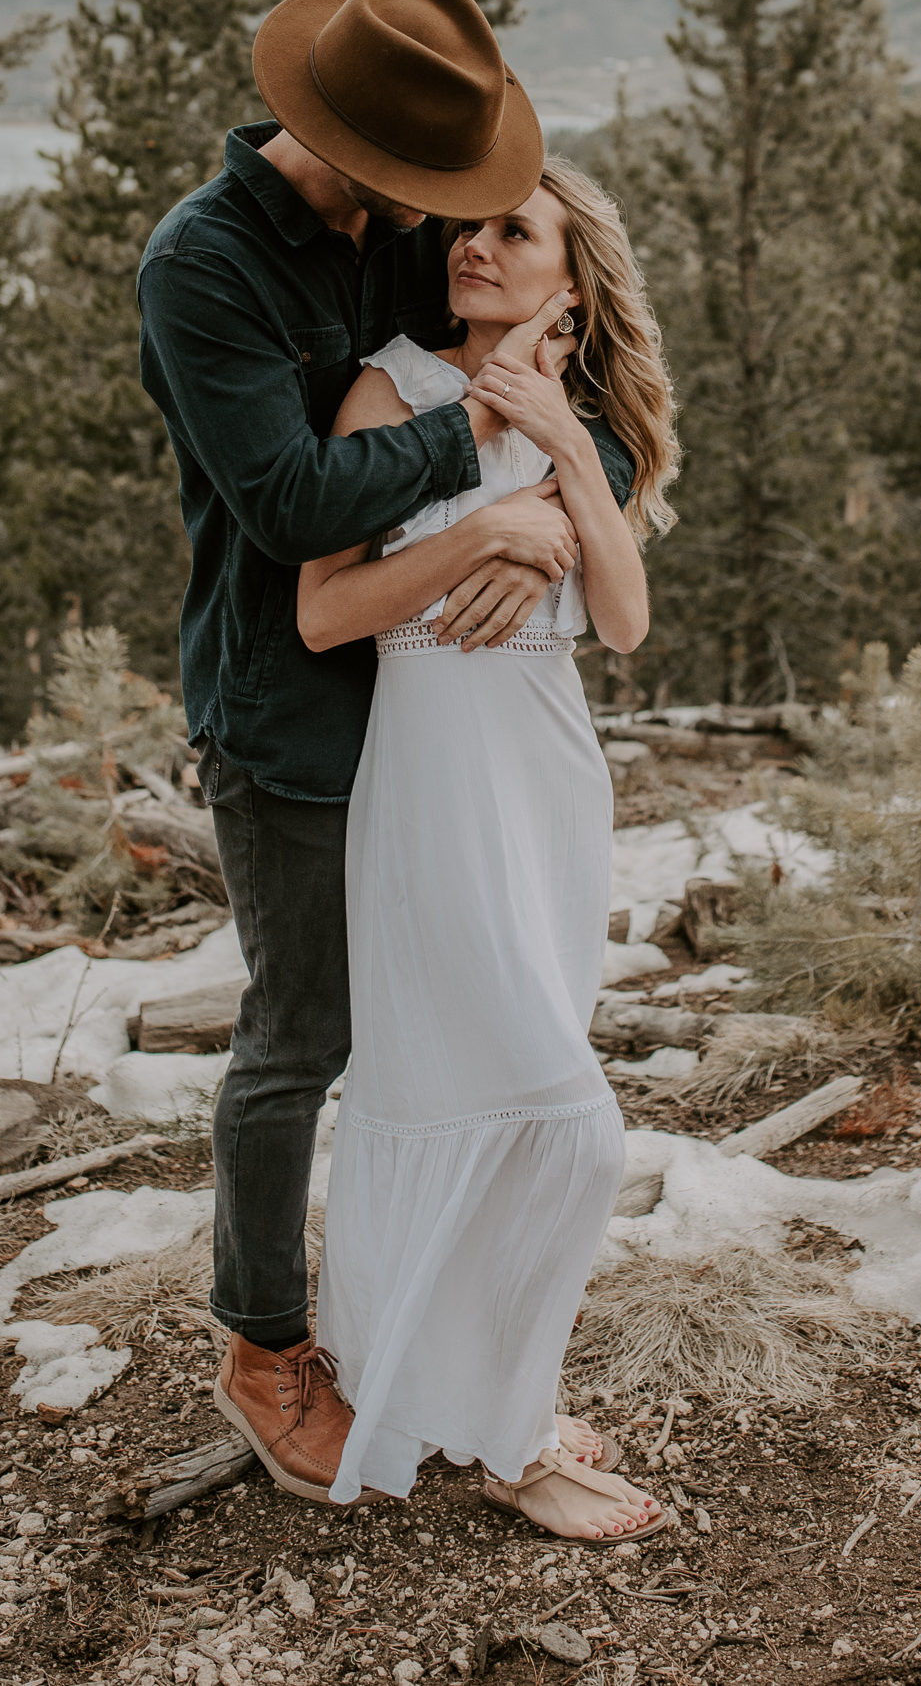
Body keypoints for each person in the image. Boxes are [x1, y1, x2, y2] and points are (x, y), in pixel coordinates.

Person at [137, 0, 637, 1506]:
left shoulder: (421, 230)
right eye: (430, 191)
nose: (453, 225)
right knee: (307, 1039)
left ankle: (469, 1368)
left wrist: (563, 501)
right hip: (298, 713)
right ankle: (266, 1348)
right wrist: (500, 481)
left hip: (467, 735)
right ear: (332, 135)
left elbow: (551, 359)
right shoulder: (203, 265)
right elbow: (292, 510)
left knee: (472, 1047)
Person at [297, 156, 680, 1539]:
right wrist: (486, 538)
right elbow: (324, 614)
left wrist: (563, 458)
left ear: (569, 284)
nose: (476, 245)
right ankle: (515, 1447)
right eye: (468, 225)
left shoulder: (582, 423)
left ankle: (489, 1394)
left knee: (525, 1112)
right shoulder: (388, 388)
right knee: (565, 1129)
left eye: (514, 232)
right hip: (433, 784)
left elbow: (624, 623)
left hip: (549, 790)